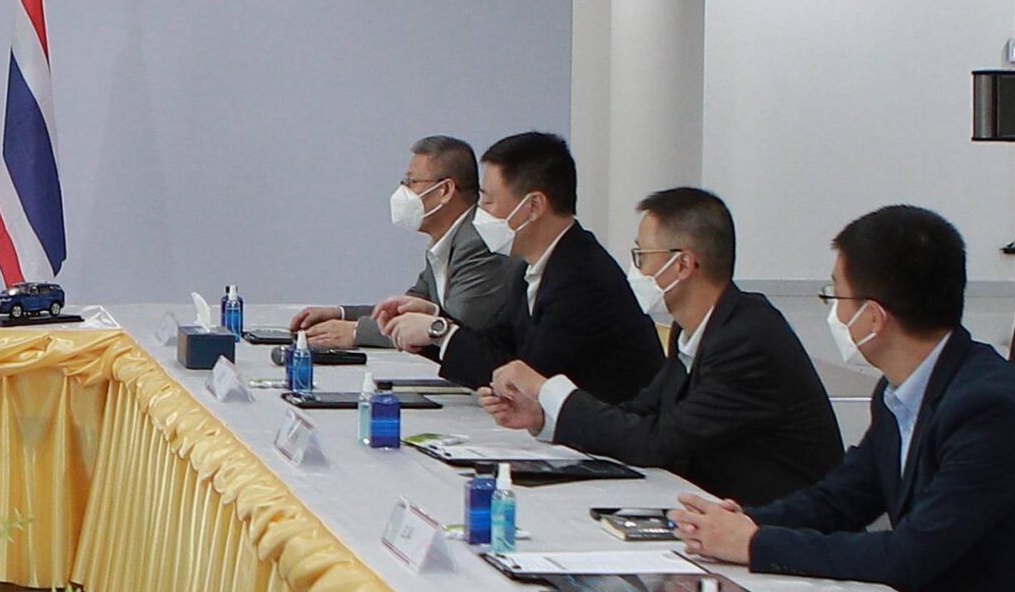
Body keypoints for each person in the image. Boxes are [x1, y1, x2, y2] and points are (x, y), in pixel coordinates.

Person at [674, 205, 1015, 592]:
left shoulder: (990, 410)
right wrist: (744, 522)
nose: (833, 311)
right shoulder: (901, 391)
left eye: (836, 295)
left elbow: (908, 556)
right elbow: (841, 499)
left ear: (873, 317)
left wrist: (754, 544)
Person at [477, 187, 842, 506]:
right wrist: (543, 416)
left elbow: (657, 441)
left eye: (642, 256)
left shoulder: (746, 338)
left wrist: (546, 388)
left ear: (682, 263)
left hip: (776, 526)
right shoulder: (698, 328)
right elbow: (640, 413)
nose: (635, 270)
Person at [375, 130, 664, 404]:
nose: (480, 213)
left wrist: (440, 331)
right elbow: (499, 346)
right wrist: (435, 322)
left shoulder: (581, 278)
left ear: (534, 206)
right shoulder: (533, 268)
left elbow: (523, 378)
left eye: (488, 201)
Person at [291, 135, 518, 350]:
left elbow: (454, 328)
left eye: (411, 182)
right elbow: (409, 309)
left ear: (445, 190)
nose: (403, 191)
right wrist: (341, 314)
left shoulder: (478, 242)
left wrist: (356, 331)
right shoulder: (446, 241)